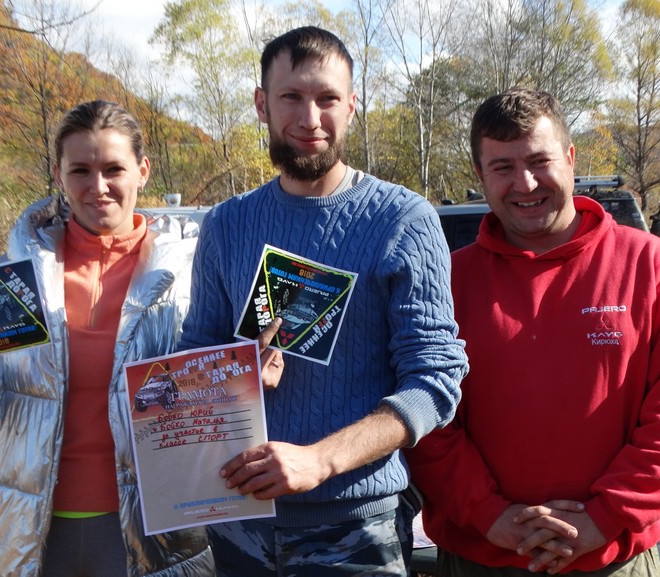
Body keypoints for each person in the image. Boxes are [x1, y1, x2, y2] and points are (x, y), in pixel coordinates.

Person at [177, 26, 467, 577]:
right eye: (291, 96)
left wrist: (320, 460)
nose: (310, 118)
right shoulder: (226, 225)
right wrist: (233, 373)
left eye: (327, 98)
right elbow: (193, 359)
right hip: (239, 521)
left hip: (357, 528)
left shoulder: (403, 220)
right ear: (262, 104)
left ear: (352, 106)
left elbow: (435, 380)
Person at [406, 88, 660, 576]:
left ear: (571, 159)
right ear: (481, 176)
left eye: (539, 161)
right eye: (503, 167)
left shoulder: (652, 266)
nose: (525, 183)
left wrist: (605, 516)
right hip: (478, 556)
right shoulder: (447, 281)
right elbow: (426, 415)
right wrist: (489, 515)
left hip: (613, 558)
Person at [0, 100, 214, 576]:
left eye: (113, 169)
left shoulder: (195, 274)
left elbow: (219, 396)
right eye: (80, 170)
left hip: (153, 531)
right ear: (59, 177)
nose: (97, 186)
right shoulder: (9, 281)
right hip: (28, 529)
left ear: (142, 171)